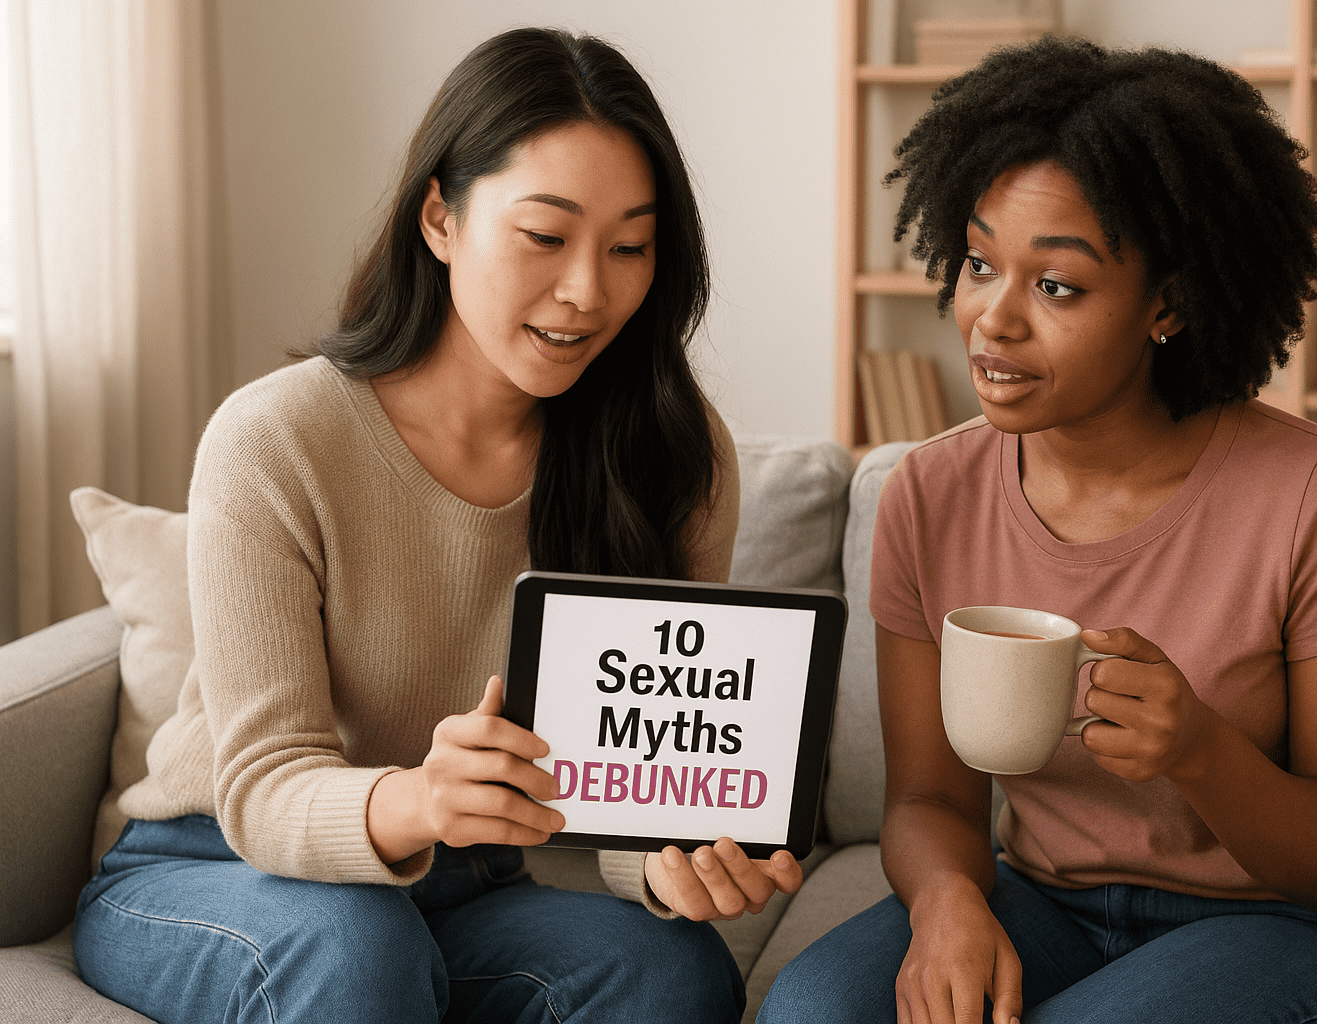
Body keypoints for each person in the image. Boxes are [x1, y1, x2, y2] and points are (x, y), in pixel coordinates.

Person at [73, 27, 800, 1024]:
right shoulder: (278, 437)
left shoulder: (673, 453)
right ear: (440, 218)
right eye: (546, 236)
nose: (589, 289)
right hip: (212, 864)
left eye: (630, 246)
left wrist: (671, 864)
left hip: (466, 890)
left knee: (671, 970)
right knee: (356, 950)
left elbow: (632, 777)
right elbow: (263, 786)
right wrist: (418, 798)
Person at [759, 36, 1317, 1024]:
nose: (993, 319)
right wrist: (948, 900)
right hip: (1048, 903)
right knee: (811, 1010)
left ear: (1168, 304)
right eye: (981, 264)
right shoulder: (929, 494)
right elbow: (930, 802)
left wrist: (1200, 748)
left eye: (1057, 286)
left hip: (1299, 927)